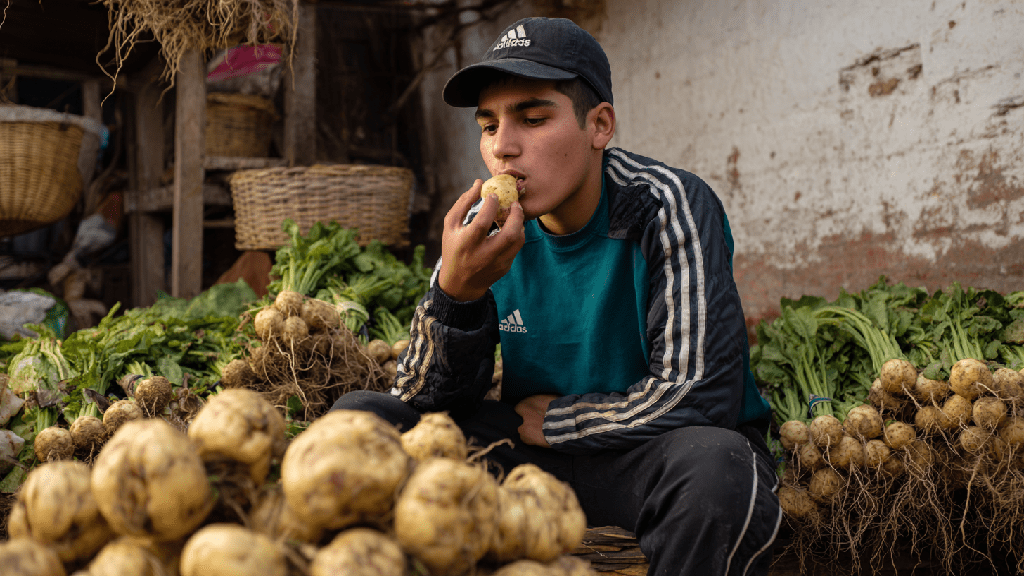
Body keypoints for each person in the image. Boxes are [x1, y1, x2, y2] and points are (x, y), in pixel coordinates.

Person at [333, 16, 781, 576]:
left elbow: (700, 392)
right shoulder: (482, 230)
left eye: (533, 118)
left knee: (719, 468)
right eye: (488, 125)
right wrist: (457, 294)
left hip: (648, 456)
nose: (503, 147)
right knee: (361, 423)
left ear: (599, 125)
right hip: (528, 460)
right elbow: (422, 400)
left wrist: (563, 422)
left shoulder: (665, 205)